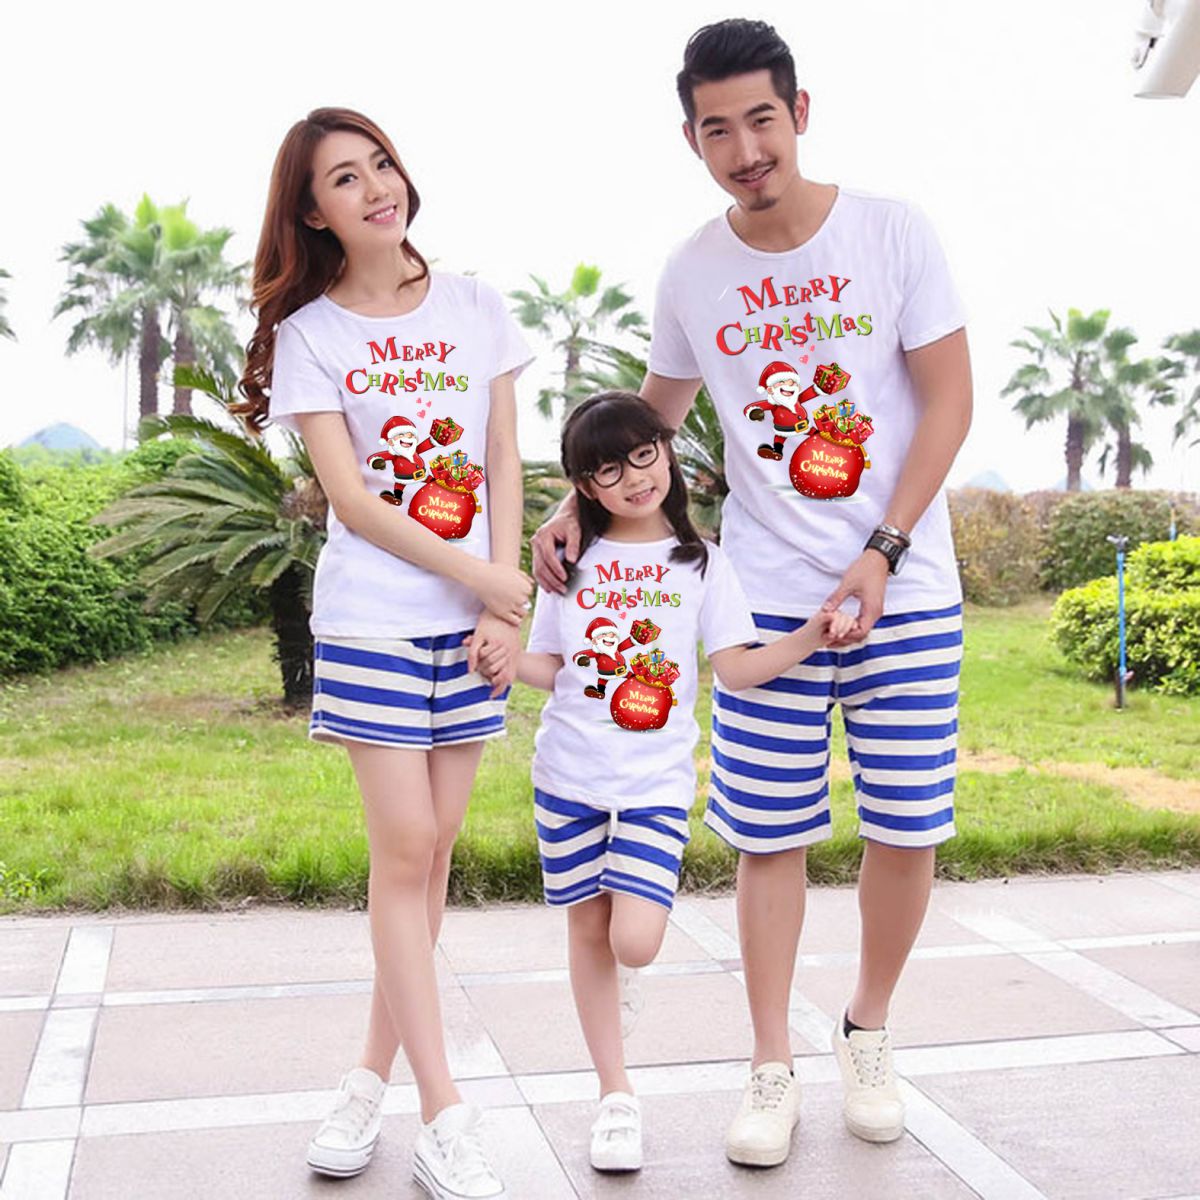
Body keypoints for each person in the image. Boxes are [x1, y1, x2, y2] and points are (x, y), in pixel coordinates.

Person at [531, 19, 972, 1169]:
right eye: (717, 129)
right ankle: (769, 1063)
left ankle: (866, 1029)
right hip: (765, 595)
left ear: (800, 112)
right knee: (769, 837)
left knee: (907, 825)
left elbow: (950, 403)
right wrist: (576, 505)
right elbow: (656, 415)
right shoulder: (694, 270)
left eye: (762, 120)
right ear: (692, 139)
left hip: (907, 587)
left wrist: (882, 551)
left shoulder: (893, 232)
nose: (745, 150)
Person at [236, 107, 532, 1200]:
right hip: (373, 623)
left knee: (434, 853)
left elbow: (502, 458)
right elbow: (353, 501)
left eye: (381, 165)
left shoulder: (475, 306)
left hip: (473, 626)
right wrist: (484, 579)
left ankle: (366, 1079)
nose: (375, 189)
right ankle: (445, 1113)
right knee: (405, 847)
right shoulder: (312, 333)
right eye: (345, 179)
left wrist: (503, 602)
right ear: (313, 211)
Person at [480, 391, 853, 1173]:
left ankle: (624, 980)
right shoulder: (569, 564)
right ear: (584, 486)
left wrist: (807, 639)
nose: (633, 478)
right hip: (567, 776)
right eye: (607, 470)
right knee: (588, 931)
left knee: (635, 942)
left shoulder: (702, 563)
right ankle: (616, 1095)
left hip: (653, 785)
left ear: (667, 451)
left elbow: (736, 669)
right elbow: (554, 665)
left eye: (643, 455)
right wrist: (508, 664)